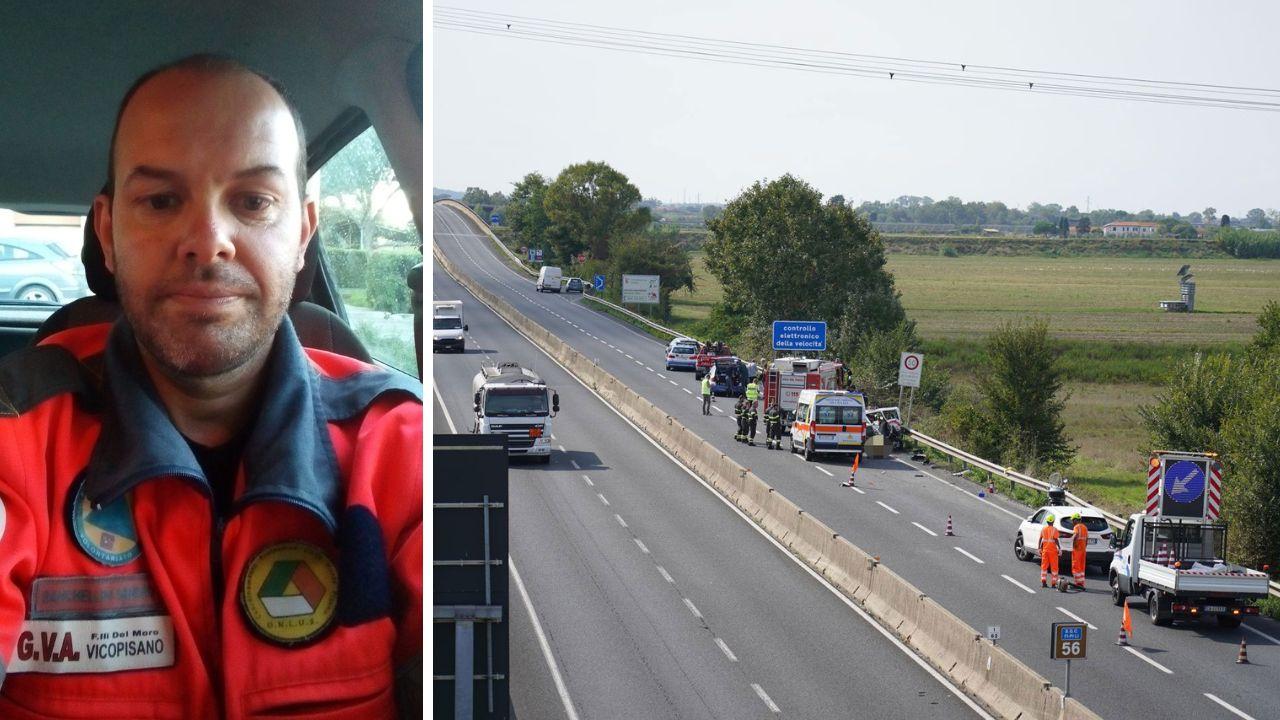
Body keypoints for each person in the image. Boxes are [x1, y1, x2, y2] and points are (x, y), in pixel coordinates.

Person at [0, 55, 422, 718]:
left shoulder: (399, 446)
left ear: (303, 233)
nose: (208, 241)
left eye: (253, 202)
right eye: (161, 201)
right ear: (107, 234)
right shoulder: (16, 434)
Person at [1039, 514, 1061, 588]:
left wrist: (1039, 548)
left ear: (1047, 521)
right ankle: (1053, 583)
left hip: (1045, 551)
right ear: (1053, 521)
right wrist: (1059, 548)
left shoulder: (1043, 529)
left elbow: (1041, 539)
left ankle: (1043, 582)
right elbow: (1056, 539)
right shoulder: (1055, 530)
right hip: (1053, 552)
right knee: (1054, 568)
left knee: (1044, 567)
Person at [1070, 513, 1089, 589]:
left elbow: (1075, 535)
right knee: (1081, 567)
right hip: (1083, 550)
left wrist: (1073, 545)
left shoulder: (1076, 527)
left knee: (1076, 566)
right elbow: (1087, 539)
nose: (1072, 522)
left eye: (1073, 520)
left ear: (1075, 520)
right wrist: (1084, 546)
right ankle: (1081, 583)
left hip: (1077, 549)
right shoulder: (1085, 527)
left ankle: (1077, 583)